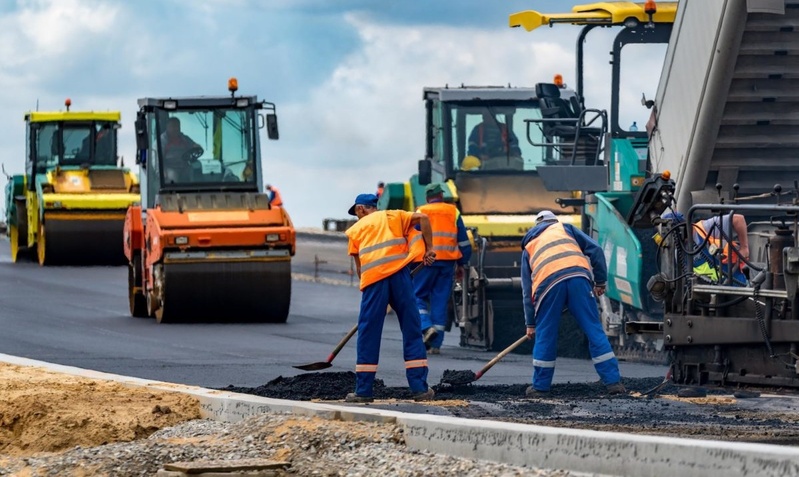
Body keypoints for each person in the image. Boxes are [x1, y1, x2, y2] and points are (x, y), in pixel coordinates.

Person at [344, 193, 437, 403]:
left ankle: (364, 391)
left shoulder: (356, 230)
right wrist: (430, 248)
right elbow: (423, 218)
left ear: (360, 209)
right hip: (400, 277)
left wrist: (372, 297)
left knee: (368, 332)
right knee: (412, 329)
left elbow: (360, 269)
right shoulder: (393, 216)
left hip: (374, 281)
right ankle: (420, 389)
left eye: (357, 213)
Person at [521, 210, 625, 396]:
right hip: (579, 278)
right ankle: (613, 383)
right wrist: (600, 281)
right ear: (554, 221)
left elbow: (527, 290)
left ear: (537, 226)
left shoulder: (530, 244)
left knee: (546, 334)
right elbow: (596, 250)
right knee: (594, 330)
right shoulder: (566, 229)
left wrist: (530, 323)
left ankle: (540, 387)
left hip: (548, 285)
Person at [411, 183, 472, 355]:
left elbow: (413, 237)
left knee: (416, 296)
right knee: (440, 302)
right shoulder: (453, 211)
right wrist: (463, 263)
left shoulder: (420, 211)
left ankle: (426, 326)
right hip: (447, 264)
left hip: (425, 262)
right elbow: (464, 242)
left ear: (427, 197)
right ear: (441, 195)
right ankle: (435, 345)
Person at [664, 211, 749, 285]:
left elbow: (738, 219)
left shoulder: (705, 227)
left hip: (737, 286)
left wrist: (744, 248)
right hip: (710, 295)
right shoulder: (679, 253)